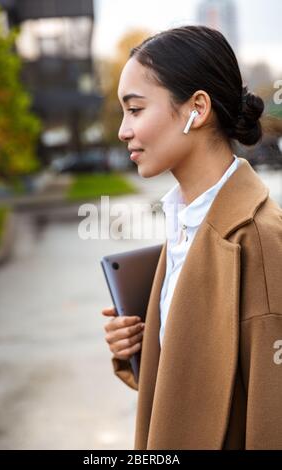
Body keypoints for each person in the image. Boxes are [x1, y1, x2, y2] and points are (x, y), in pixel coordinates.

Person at [102, 25, 282, 450]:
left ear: (197, 109)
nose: (123, 130)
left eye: (136, 109)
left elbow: (269, 423)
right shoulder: (187, 224)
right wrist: (139, 349)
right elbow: (202, 395)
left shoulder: (261, 242)